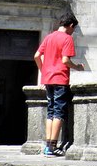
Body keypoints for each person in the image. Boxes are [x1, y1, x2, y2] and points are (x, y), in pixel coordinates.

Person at [34, 12, 84, 157]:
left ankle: (48, 145)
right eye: (73, 29)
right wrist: (77, 67)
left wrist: (43, 71)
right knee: (59, 112)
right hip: (60, 79)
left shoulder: (49, 37)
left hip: (48, 79)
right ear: (70, 25)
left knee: (50, 111)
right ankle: (52, 147)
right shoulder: (67, 38)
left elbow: (37, 56)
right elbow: (65, 61)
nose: (73, 32)